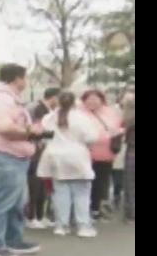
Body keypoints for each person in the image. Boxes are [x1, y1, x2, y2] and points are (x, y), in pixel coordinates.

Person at [0, 63, 44, 256]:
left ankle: (13, 239)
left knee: (16, 203)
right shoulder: (2, 98)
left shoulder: (11, 98)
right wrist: (30, 132)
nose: (26, 81)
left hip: (13, 156)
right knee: (1, 202)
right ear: (17, 79)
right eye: (25, 77)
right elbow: (4, 126)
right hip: (1, 155)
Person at [36, 91, 101, 238]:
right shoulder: (82, 118)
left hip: (55, 156)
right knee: (82, 193)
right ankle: (83, 226)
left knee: (60, 192)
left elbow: (44, 137)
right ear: (74, 102)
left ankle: (61, 225)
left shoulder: (49, 118)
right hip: (77, 156)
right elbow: (91, 137)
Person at [79, 89, 124, 221]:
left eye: (95, 99)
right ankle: (83, 210)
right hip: (84, 155)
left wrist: (115, 132)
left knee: (101, 183)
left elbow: (118, 127)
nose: (92, 102)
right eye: (89, 99)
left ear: (102, 100)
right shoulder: (78, 113)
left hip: (105, 155)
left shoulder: (110, 113)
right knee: (84, 183)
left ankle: (95, 209)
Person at [25, 87, 61, 230]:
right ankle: (31, 216)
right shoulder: (38, 109)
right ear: (53, 97)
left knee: (44, 184)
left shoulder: (49, 111)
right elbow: (36, 130)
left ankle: (41, 215)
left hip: (46, 150)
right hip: (36, 151)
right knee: (35, 184)